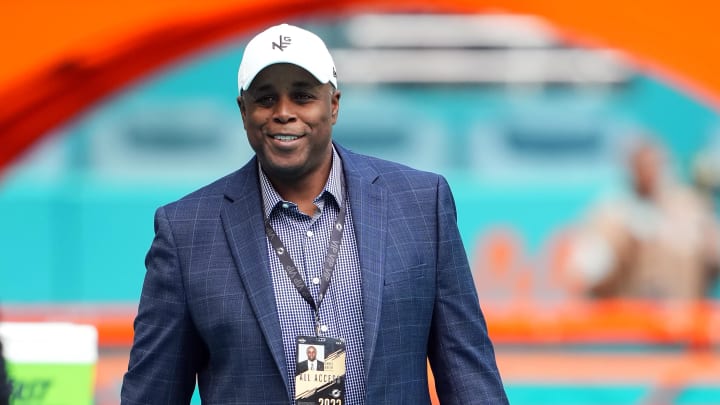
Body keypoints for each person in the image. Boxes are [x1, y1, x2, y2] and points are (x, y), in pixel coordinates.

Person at [121, 23, 508, 404]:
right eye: (266, 99)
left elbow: (469, 375)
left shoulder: (421, 203)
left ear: (333, 105)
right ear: (243, 110)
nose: (284, 113)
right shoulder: (186, 231)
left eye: (303, 96)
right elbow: (152, 392)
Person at [568, 138, 720, 299]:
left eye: (654, 164)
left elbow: (713, 253)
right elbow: (589, 269)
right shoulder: (613, 214)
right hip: (633, 315)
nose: (649, 172)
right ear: (632, 168)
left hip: (686, 315)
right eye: (643, 165)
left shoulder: (690, 208)